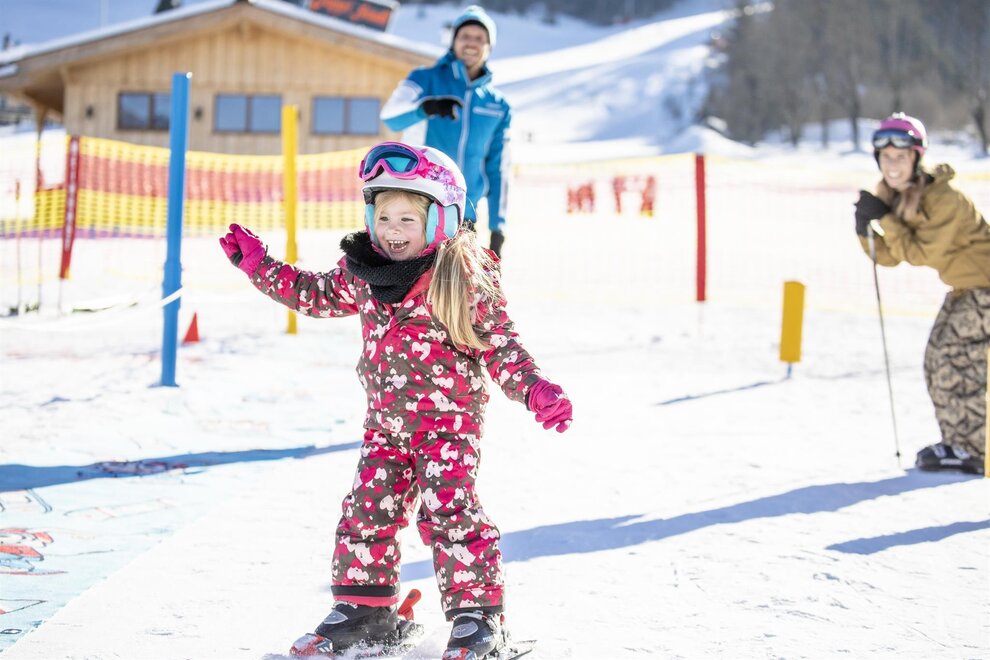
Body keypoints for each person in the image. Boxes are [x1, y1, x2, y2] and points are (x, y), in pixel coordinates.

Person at [219, 142, 572, 658]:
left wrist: (535, 388)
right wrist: (260, 266)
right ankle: (367, 612)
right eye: (383, 217)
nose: (392, 229)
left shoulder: (461, 277)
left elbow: (500, 345)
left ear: (442, 218)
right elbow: (313, 294)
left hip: (447, 428)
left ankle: (479, 618)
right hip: (385, 425)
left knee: (450, 510)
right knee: (366, 511)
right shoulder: (365, 272)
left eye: (408, 218)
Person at [853, 112, 989, 475]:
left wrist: (887, 218)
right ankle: (959, 441)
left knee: (954, 360)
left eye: (900, 156)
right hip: (968, 288)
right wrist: (865, 229)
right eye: (886, 157)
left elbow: (918, 252)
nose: (892, 164)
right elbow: (890, 256)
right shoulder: (898, 197)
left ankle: (974, 448)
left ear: (916, 157)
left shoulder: (945, 198)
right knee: (936, 360)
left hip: (985, 289)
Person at [380, 5, 510, 259]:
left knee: (458, 284)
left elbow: (499, 168)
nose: (471, 43)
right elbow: (390, 118)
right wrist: (426, 108)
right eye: (465, 36)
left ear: (489, 47)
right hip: (418, 208)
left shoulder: (497, 105)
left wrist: (498, 226)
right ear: (453, 42)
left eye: (479, 38)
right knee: (414, 283)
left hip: (465, 216)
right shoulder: (424, 79)